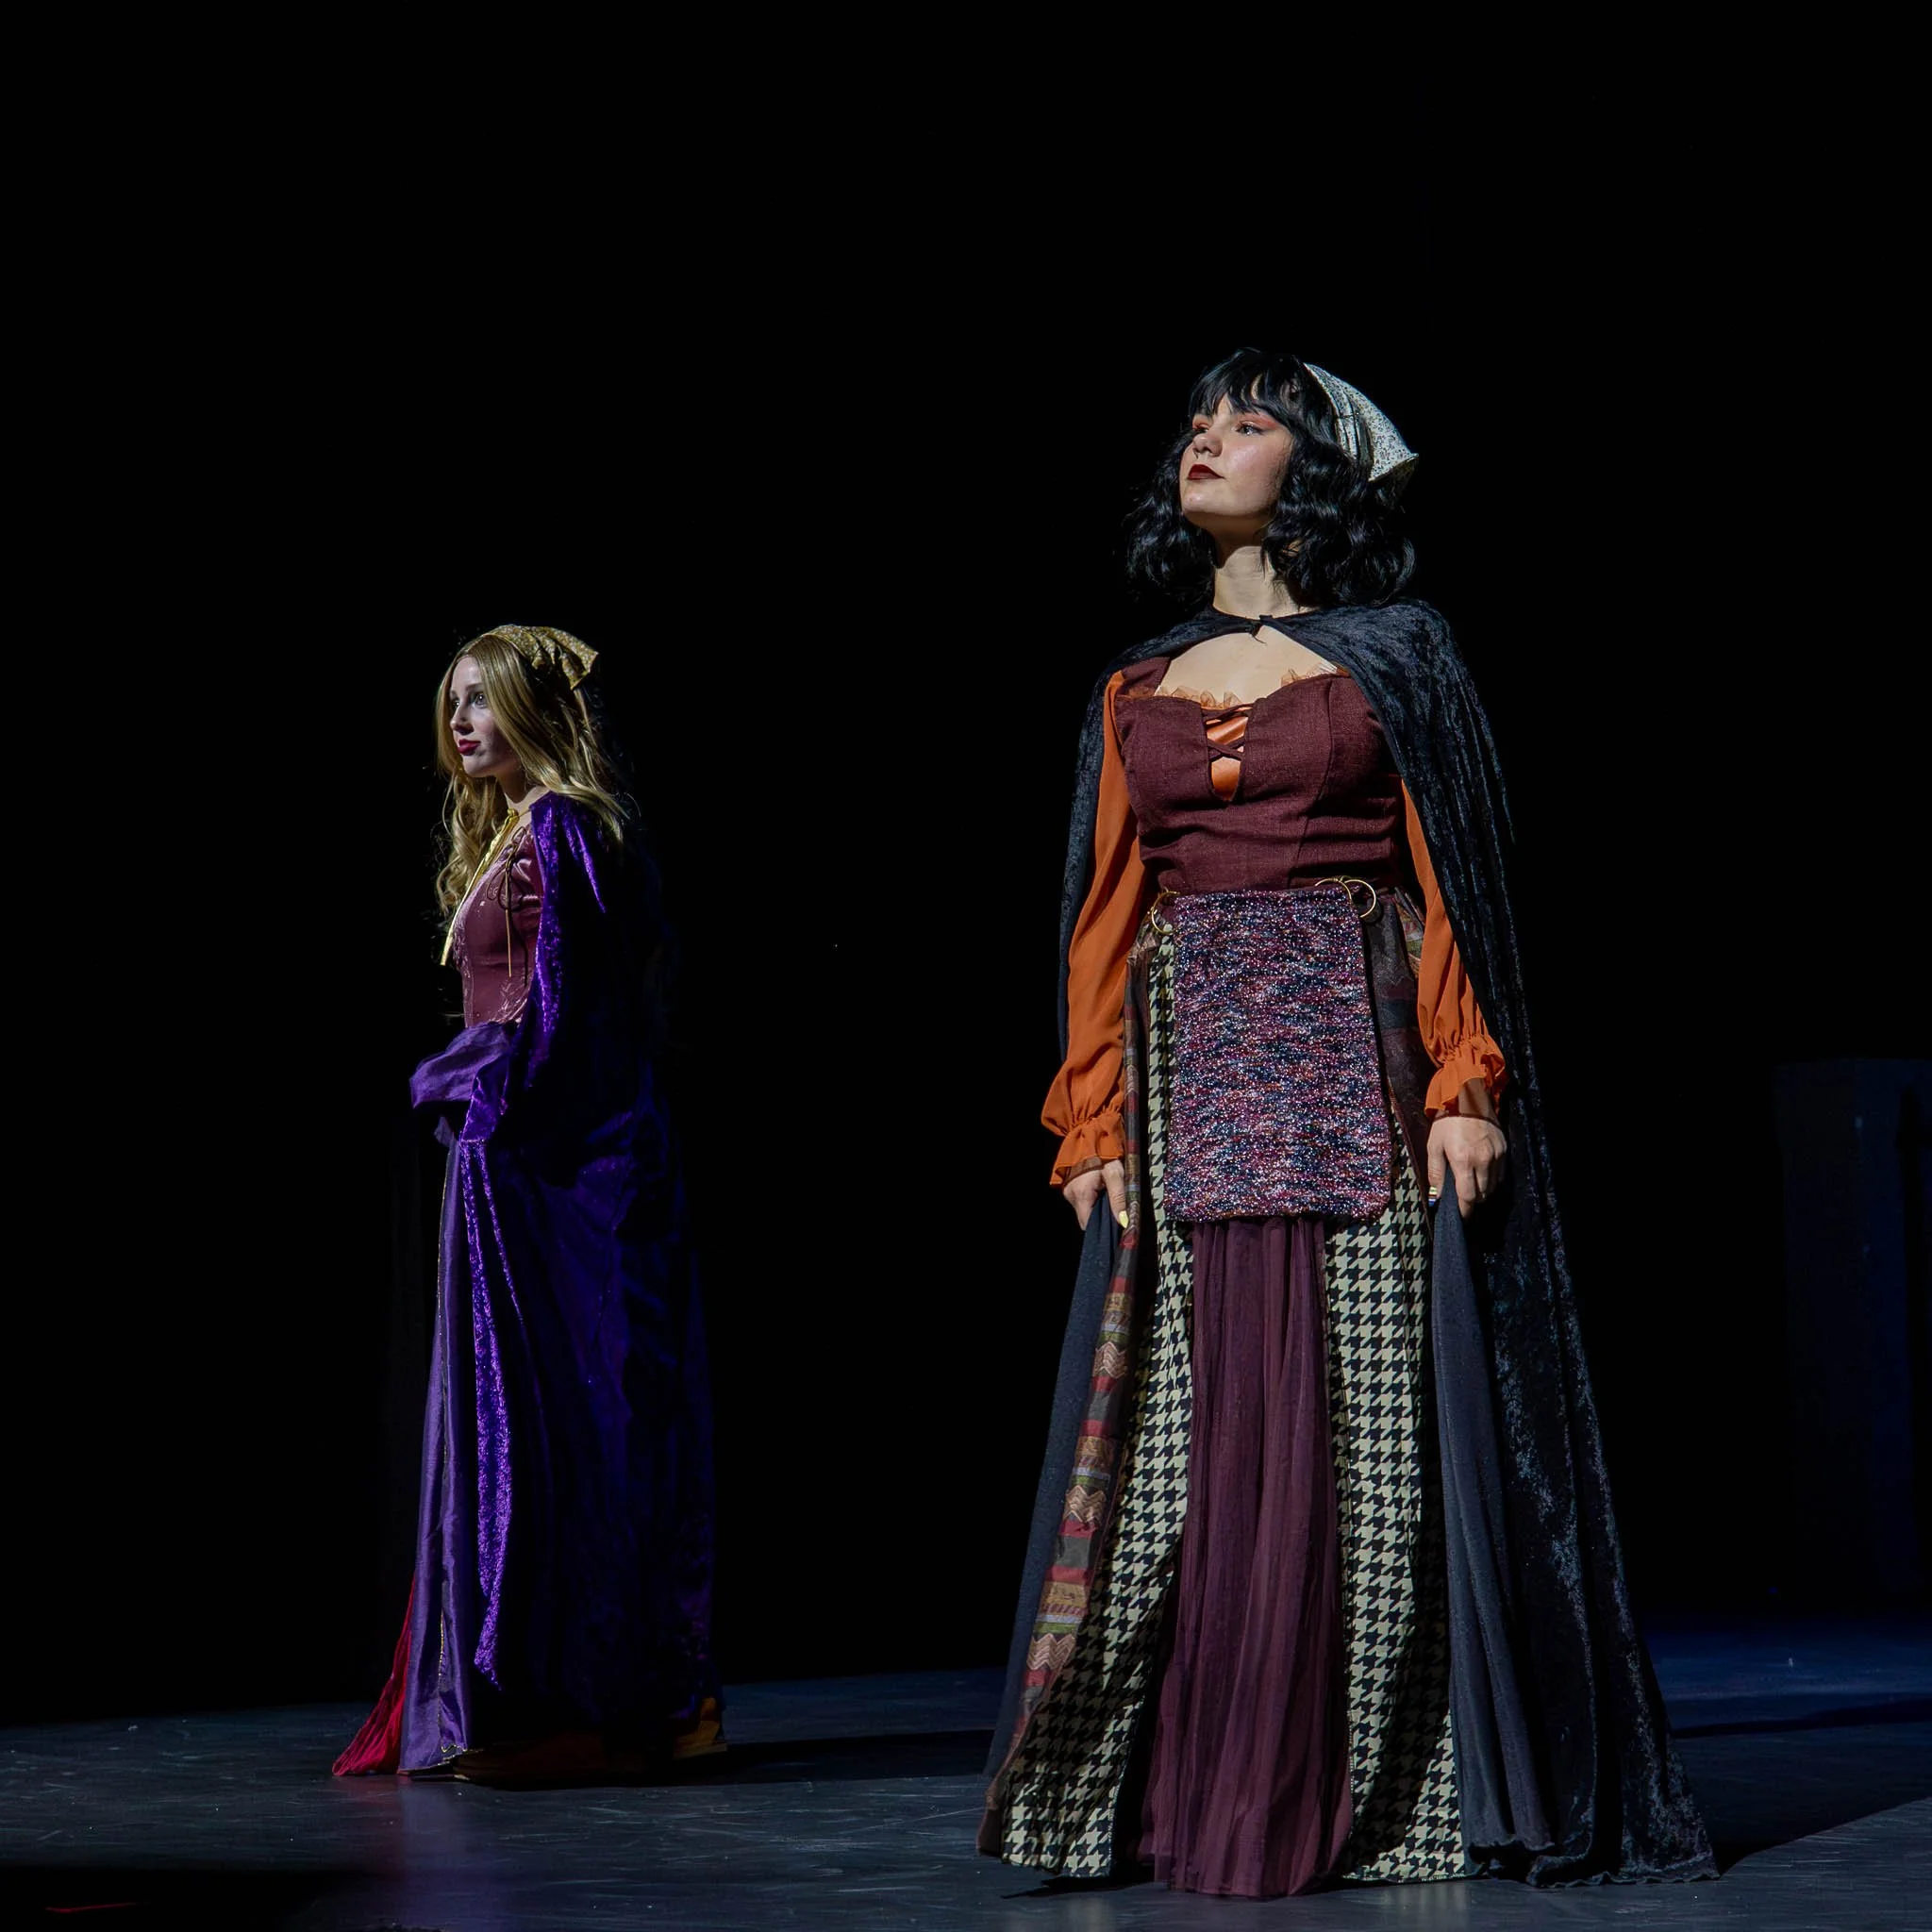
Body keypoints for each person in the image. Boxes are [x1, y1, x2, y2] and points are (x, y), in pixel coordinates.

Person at [979, 353, 1713, 1896]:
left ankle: (1380, 1785)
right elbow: (1100, 916)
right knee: (1186, 1437)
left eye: (1246, 422)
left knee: (1365, 1430)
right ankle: (1170, 1787)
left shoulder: (1398, 656)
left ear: (1313, 471)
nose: (1205, 439)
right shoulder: (1135, 682)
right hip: (1188, 1081)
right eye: (1196, 421)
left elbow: (1449, 878)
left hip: (1360, 1066)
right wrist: (1089, 1118)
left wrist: (1465, 1079)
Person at [333, 625, 720, 1783]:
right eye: (452, 702)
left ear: (533, 711)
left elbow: (578, 1010)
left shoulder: (560, 826)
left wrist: (489, 1090)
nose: (462, 722)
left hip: (555, 1165)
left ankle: (583, 1699)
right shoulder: (509, 830)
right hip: (509, 1160)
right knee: (523, 1421)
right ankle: (529, 1696)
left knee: (567, 1419)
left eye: (482, 700)